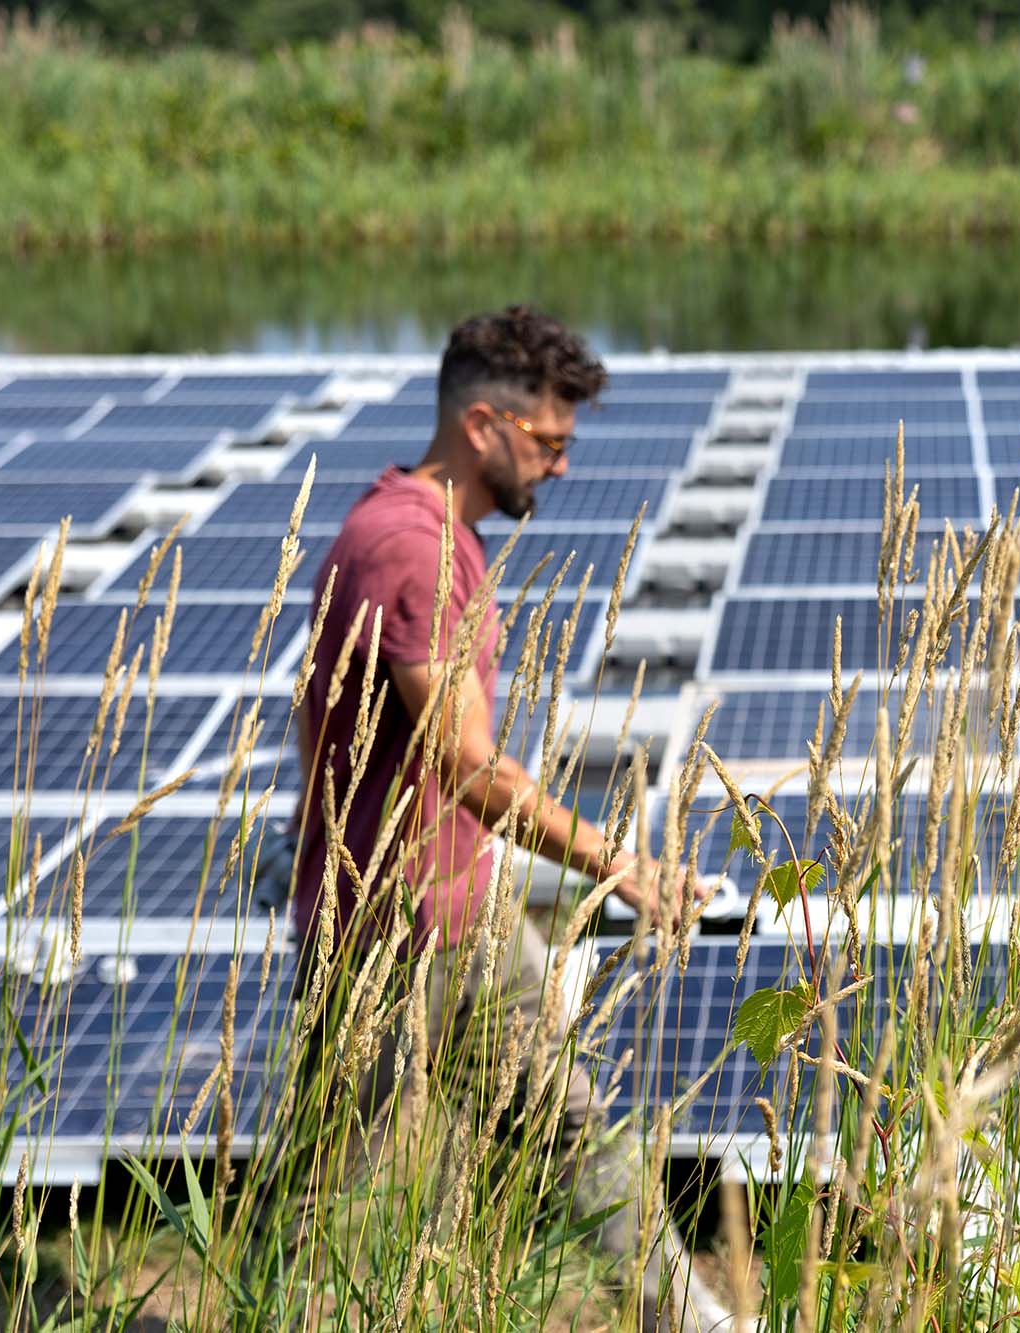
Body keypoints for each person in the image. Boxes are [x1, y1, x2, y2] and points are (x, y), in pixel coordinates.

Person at [286, 304, 737, 1330]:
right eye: (550, 442)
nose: (562, 468)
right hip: (398, 930)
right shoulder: (415, 550)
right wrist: (616, 862)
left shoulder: (399, 524)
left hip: (440, 910)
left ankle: (698, 1324)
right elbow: (467, 763)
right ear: (484, 424)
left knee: (572, 1135)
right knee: (327, 1197)